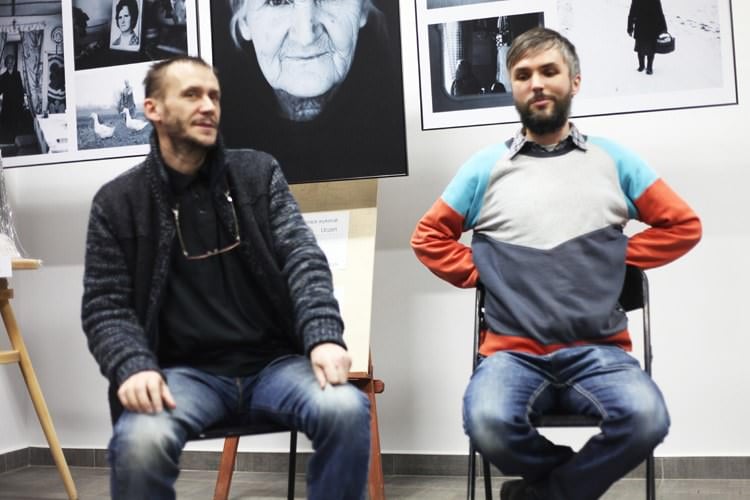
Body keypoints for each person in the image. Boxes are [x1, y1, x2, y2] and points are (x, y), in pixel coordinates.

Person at [411, 27, 701, 500]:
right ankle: (566, 488)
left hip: (600, 353)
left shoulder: (614, 160)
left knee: (646, 419)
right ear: (512, 86)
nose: (537, 83)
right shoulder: (484, 167)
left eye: (549, 71)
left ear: (574, 81)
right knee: (486, 422)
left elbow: (683, 225)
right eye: (523, 74)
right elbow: (427, 237)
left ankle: (538, 496)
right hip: (511, 354)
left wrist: (614, 255)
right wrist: (486, 269)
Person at [81, 56, 370, 500]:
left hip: (274, 367)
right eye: (191, 94)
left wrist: (324, 336)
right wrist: (132, 366)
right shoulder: (118, 202)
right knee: (140, 442)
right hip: (182, 376)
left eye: (214, 96)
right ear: (152, 109)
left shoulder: (258, 174)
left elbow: (303, 258)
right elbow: (105, 306)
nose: (208, 106)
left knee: (347, 408)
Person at [214, 0, 406, 184]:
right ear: (244, 20)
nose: (306, 37)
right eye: (278, 1)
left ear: (363, 7)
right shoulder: (217, 138)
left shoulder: (403, 126)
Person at [627, 0, 667, 75]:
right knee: (645, 48)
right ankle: (644, 66)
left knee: (646, 48)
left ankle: (646, 67)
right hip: (645, 26)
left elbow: (659, 12)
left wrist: (630, 28)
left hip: (647, 26)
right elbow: (632, 12)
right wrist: (630, 27)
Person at [0, 54, 26, 144]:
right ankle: (8, 141)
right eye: (8, 62)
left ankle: (15, 141)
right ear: (6, 64)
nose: (10, 64)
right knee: (7, 123)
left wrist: (22, 101)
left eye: (11, 62)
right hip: (7, 104)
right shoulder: (3, 76)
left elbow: (20, 89)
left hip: (16, 104)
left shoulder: (17, 74)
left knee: (16, 123)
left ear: (14, 63)